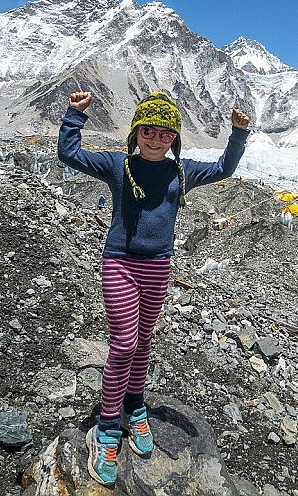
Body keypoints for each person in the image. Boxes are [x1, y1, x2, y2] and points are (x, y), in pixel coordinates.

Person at [58, 90, 250, 486]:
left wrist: (237, 134)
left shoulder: (181, 173)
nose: (156, 138)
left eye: (165, 133)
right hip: (120, 264)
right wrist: (74, 116)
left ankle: (134, 406)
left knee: (143, 343)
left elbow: (224, 169)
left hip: (158, 268)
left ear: (174, 139)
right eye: (148, 130)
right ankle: (107, 427)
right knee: (124, 344)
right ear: (135, 132)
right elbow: (69, 154)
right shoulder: (117, 165)